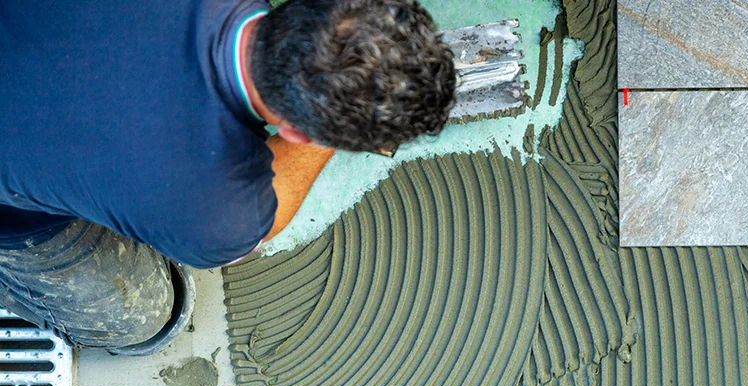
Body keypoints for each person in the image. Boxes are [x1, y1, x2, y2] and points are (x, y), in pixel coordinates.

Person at [0, 0, 455, 354]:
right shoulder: (213, 211)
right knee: (144, 321)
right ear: (295, 132)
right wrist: (331, 135)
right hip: (14, 215)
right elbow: (251, 234)